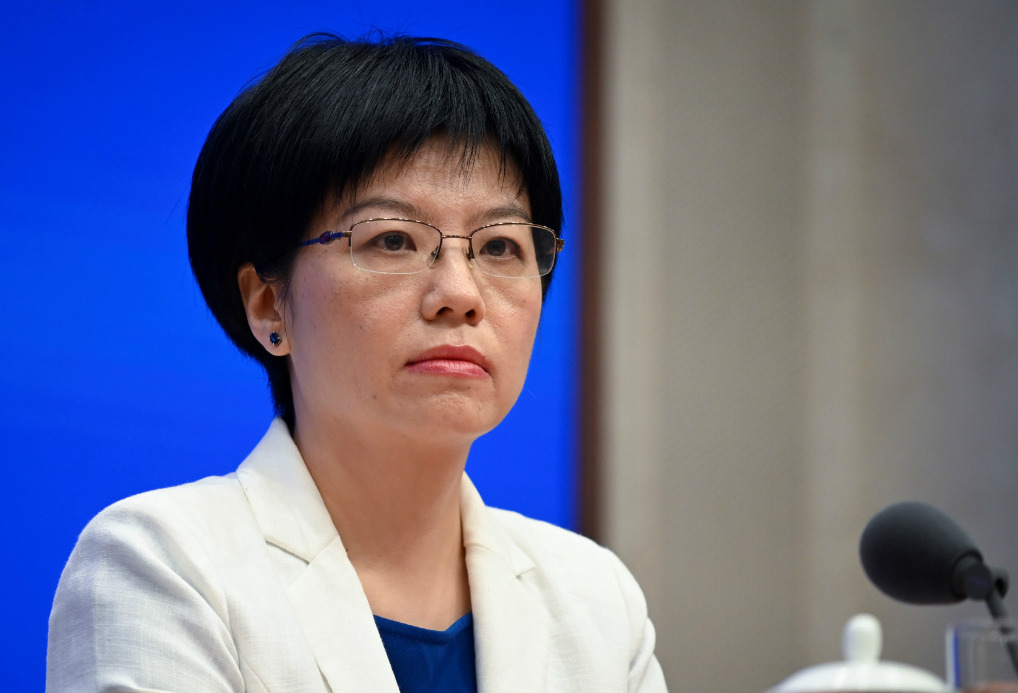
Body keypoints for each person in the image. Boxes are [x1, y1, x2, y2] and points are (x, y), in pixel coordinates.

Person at [46, 34, 668, 693]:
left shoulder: (596, 599)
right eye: (393, 240)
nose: (461, 294)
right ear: (268, 304)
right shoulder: (166, 565)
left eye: (499, 247)